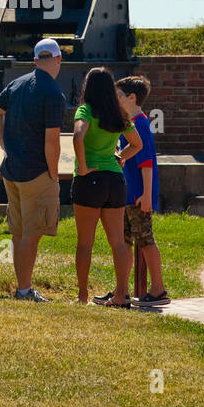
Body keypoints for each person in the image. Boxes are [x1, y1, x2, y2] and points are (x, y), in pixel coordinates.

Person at [0, 38, 67, 302]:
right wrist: (54, 175)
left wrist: (4, 144)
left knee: (19, 233)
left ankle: (23, 288)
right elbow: (52, 141)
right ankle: (23, 290)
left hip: (12, 170)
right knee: (32, 236)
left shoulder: (17, 84)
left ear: (34, 61)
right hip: (37, 173)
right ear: (58, 60)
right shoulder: (54, 93)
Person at [71, 67, 141, 307]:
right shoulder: (117, 113)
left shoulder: (85, 110)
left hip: (90, 180)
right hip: (115, 180)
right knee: (118, 242)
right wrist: (120, 157)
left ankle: (82, 296)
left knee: (85, 242)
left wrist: (82, 166)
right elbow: (137, 144)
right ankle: (121, 295)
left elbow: (78, 136)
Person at [115, 75, 168, 307]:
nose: (114, 101)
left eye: (118, 97)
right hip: (127, 195)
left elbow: (146, 163)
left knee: (145, 240)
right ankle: (121, 290)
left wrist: (147, 195)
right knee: (124, 242)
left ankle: (158, 290)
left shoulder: (141, 124)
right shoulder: (127, 124)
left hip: (138, 195)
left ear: (131, 98)